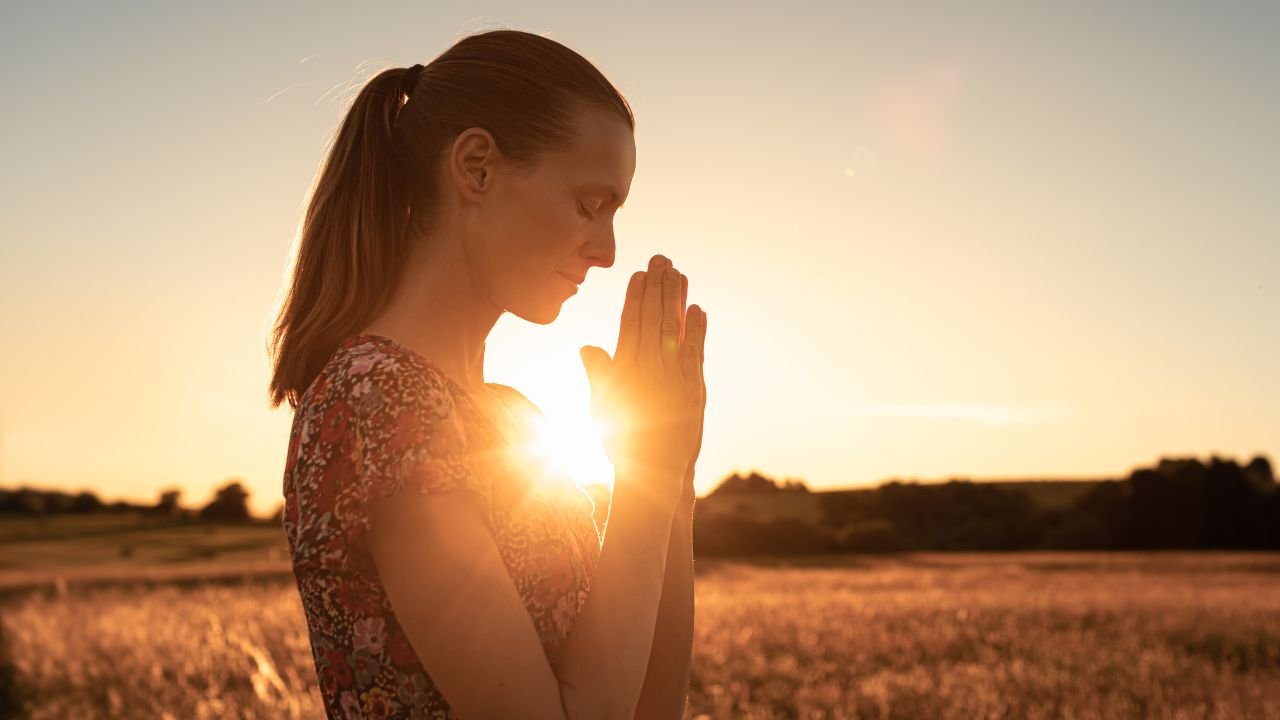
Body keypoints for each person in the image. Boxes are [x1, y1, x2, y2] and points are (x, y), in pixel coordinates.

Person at [266, 29, 708, 720]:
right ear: (476, 168)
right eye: (590, 204)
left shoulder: (510, 419)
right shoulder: (377, 399)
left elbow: (649, 709)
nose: (607, 250)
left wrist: (668, 473)